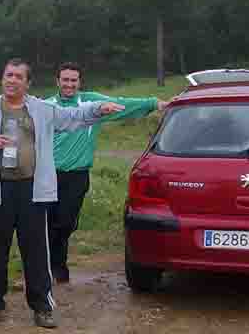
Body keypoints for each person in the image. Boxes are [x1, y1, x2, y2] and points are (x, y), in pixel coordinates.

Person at [0, 59, 123, 329]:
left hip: (33, 189)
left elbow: (75, 115)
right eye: (8, 75)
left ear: (27, 83)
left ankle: (42, 307)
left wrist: (99, 108)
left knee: (37, 252)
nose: (11, 80)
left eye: (18, 76)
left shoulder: (42, 109)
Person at [45, 62, 168, 283]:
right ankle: (53, 269)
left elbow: (123, 105)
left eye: (73, 80)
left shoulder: (92, 102)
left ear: (79, 82)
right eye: (65, 80)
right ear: (57, 81)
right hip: (47, 176)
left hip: (76, 175)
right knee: (47, 223)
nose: (69, 84)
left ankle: (56, 264)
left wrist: (154, 103)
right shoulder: (47, 106)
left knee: (65, 223)